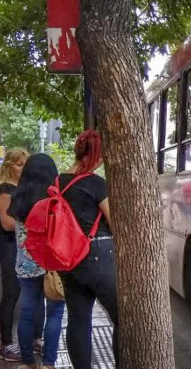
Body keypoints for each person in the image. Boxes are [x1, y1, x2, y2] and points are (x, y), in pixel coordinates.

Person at [59, 130, 117, 369]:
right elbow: (114, 221)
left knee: (78, 319)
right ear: (95, 155)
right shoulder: (95, 183)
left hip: (68, 259)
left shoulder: (57, 182)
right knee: (122, 318)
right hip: (98, 256)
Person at [9, 154, 66, 369]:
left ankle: (27, 361)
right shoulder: (56, 197)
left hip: (26, 264)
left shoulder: (18, 197)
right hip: (53, 263)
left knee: (27, 312)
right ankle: (49, 363)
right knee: (55, 313)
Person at [0, 148, 30, 362]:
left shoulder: (22, 188)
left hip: (22, 244)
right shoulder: (4, 189)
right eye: (18, 164)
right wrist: (34, 224)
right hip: (9, 245)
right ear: (8, 166)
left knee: (25, 293)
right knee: (11, 292)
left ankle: (29, 340)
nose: (22, 168)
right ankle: (5, 343)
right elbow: (7, 223)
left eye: (25, 164)